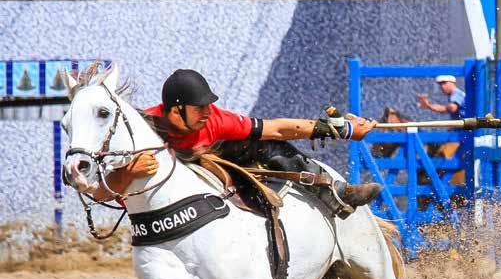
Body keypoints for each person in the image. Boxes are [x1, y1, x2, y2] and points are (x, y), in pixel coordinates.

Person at [95, 69, 381, 218]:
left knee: (267, 145)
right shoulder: (142, 133)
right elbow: (99, 193)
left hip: (205, 178)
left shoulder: (213, 119)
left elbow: (276, 129)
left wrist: (340, 129)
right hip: (161, 220)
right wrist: (130, 173)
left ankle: (336, 192)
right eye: (199, 107)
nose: (208, 112)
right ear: (174, 110)